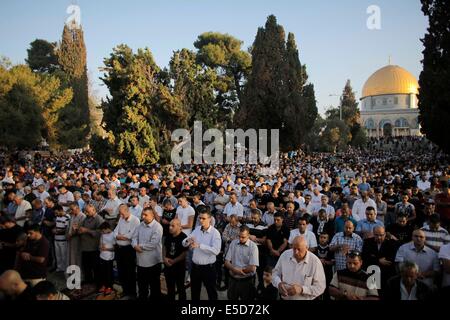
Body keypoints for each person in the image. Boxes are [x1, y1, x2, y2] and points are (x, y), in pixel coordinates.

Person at [182, 208, 221, 300]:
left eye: (203, 218)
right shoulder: (197, 229)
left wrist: (200, 246)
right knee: (194, 292)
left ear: (210, 219)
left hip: (208, 268)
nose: (200, 220)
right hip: (195, 267)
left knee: (211, 292)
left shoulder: (215, 233)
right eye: (200, 218)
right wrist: (188, 240)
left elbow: (216, 251)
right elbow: (184, 242)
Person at [272, 236, 326, 300]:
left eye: (299, 249)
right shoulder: (285, 255)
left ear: (307, 248)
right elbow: (275, 273)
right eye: (294, 248)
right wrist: (278, 283)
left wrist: (302, 289)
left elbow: (320, 287)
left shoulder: (315, 261)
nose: (296, 252)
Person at [132, 207, 163, 301]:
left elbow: (152, 244)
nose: (143, 217)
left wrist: (139, 246)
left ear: (152, 215)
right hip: (141, 261)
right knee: (142, 284)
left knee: (154, 286)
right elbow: (134, 237)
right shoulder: (140, 225)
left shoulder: (157, 227)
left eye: (146, 215)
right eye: (143, 214)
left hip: (153, 262)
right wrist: (134, 245)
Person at [224, 225, 259, 300]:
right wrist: (234, 270)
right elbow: (227, 262)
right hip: (233, 280)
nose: (240, 239)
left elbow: (252, 268)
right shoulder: (233, 243)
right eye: (239, 236)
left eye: (243, 237)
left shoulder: (253, 247)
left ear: (248, 235)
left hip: (246, 281)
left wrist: (238, 272)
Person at [361, 226, 399, 294]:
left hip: (386, 275)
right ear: (373, 234)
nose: (379, 237)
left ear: (385, 234)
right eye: (376, 235)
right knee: (373, 294)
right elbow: (364, 257)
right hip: (371, 274)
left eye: (381, 235)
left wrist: (373, 259)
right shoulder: (367, 242)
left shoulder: (391, 243)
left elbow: (392, 259)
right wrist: (378, 260)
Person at [114, 204, 140, 299]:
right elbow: (115, 232)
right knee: (121, 271)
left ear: (127, 210)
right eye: (120, 214)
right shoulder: (121, 219)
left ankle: (132, 293)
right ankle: (125, 291)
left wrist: (120, 236)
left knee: (130, 272)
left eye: (121, 213)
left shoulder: (135, 220)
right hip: (119, 248)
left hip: (128, 249)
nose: (120, 216)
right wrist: (120, 236)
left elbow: (131, 236)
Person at [79, 204, 104, 287]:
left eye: (88, 211)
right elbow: (82, 228)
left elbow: (101, 232)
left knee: (96, 267)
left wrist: (87, 230)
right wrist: (79, 230)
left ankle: (98, 284)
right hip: (84, 247)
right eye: (85, 211)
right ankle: (88, 281)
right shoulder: (86, 218)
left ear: (94, 210)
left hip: (94, 247)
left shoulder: (99, 219)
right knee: (86, 266)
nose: (86, 213)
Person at [163, 218, 187, 301]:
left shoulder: (184, 237)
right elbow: (165, 247)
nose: (170, 227)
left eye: (172, 226)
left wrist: (174, 261)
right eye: (170, 225)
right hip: (168, 266)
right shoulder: (169, 235)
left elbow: (184, 254)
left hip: (179, 267)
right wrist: (164, 258)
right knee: (170, 288)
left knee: (181, 288)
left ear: (179, 227)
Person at [98, 222, 116, 295]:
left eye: (103, 231)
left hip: (109, 257)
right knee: (102, 272)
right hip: (102, 256)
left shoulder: (113, 235)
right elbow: (100, 244)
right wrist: (100, 247)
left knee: (109, 273)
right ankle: (104, 285)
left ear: (107, 229)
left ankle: (109, 287)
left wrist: (107, 249)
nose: (102, 232)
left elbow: (115, 248)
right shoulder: (102, 235)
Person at [67, 202, 86, 268]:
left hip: (78, 240)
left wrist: (72, 234)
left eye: (72, 209)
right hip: (71, 239)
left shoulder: (82, 216)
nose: (71, 211)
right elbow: (69, 227)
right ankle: (72, 274)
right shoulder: (72, 216)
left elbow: (81, 230)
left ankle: (78, 275)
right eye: (70, 209)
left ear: (77, 208)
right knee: (71, 257)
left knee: (77, 257)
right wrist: (68, 234)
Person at [53, 205, 70, 273]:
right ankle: (59, 268)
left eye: (57, 213)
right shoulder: (57, 217)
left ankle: (65, 269)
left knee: (63, 255)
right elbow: (57, 225)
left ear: (61, 210)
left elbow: (66, 229)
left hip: (63, 239)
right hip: (56, 238)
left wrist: (57, 231)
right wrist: (54, 229)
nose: (55, 214)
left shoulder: (67, 217)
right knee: (58, 255)